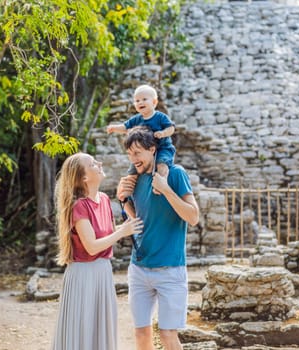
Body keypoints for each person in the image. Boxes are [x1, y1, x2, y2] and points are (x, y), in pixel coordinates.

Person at [116, 126, 200, 350]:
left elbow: (193, 217)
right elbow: (139, 221)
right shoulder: (134, 178)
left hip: (170, 270)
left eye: (137, 153)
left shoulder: (175, 174)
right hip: (139, 269)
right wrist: (123, 199)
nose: (133, 159)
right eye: (130, 154)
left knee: (167, 336)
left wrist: (166, 189)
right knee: (141, 335)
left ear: (152, 149)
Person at [52, 152, 143, 350]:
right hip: (83, 275)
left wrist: (130, 226)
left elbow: (107, 235)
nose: (99, 163)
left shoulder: (103, 200)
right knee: (83, 330)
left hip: (102, 272)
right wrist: (123, 232)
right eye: (93, 163)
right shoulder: (79, 206)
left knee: (99, 330)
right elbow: (92, 246)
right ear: (84, 178)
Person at [107, 84, 176, 199]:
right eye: (137, 100)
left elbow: (171, 128)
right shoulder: (137, 119)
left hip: (162, 148)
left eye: (144, 99)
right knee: (132, 171)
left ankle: (161, 184)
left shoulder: (160, 117)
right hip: (143, 153)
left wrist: (163, 133)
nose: (140, 102)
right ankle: (128, 192)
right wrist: (114, 128)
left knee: (161, 165)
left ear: (154, 102)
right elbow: (125, 127)